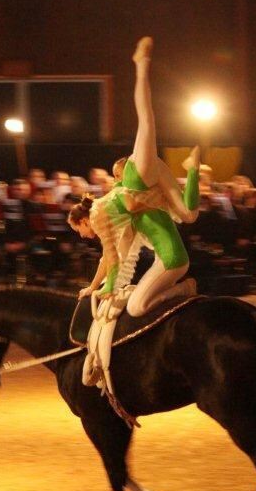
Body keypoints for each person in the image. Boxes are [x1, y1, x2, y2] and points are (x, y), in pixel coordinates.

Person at [68, 36, 200, 318]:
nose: (82, 236)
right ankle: (192, 169)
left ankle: (141, 65)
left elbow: (111, 255)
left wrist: (107, 287)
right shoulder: (122, 218)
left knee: (147, 120)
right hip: (149, 183)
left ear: (81, 220)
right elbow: (112, 255)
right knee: (189, 215)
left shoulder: (101, 212)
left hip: (138, 180)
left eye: (78, 231)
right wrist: (96, 286)